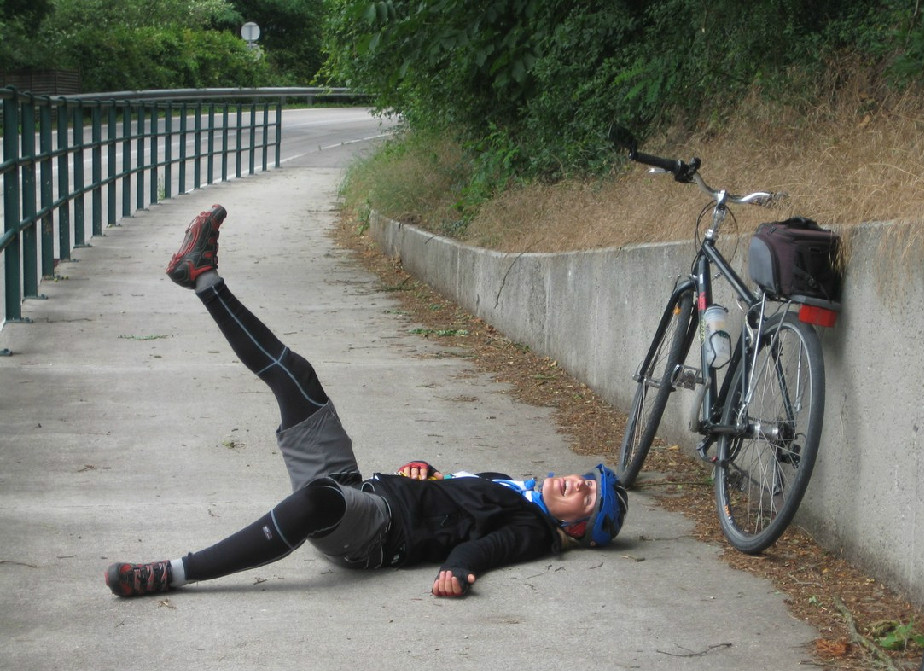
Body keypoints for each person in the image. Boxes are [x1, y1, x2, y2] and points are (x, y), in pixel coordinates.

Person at [105, 205, 627, 599]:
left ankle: (171, 573)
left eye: (587, 497)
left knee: (317, 502)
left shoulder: (533, 529)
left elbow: (487, 547)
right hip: (361, 491)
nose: (578, 483)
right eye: (587, 479)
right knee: (299, 380)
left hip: (374, 533)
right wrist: (429, 471)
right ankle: (201, 277)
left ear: (576, 528)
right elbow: (452, 503)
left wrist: (459, 569)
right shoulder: (510, 486)